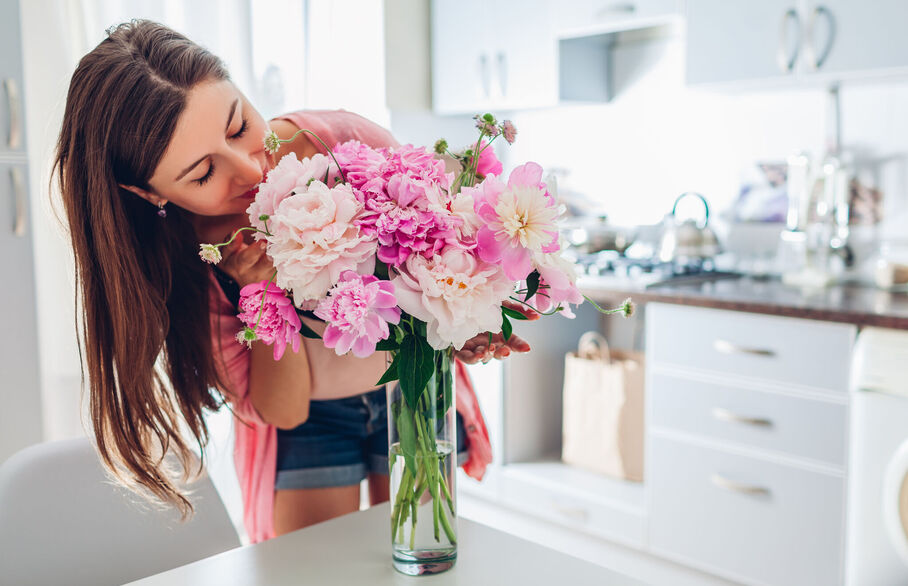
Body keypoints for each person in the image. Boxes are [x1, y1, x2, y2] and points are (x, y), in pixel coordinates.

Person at [54, 20, 534, 543]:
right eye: (202, 174)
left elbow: (441, 245)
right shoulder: (187, 268)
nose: (247, 169)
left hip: (409, 389)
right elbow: (285, 410)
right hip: (311, 426)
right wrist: (261, 297)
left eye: (238, 127)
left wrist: (468, 321)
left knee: (425, 553)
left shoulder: (337, 142)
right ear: (148, 194)